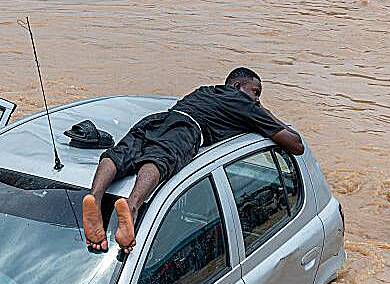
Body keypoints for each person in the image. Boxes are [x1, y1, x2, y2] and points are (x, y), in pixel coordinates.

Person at [81, 67, 304, 254]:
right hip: (187, 130)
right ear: (237, 86)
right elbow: (296, 145)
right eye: (255, 92)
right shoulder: (243, 103)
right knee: (161, 158)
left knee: (120, 153)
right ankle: (132, 206)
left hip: (159, 119)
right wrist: (262, 111)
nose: (256, 99)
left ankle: (95, 198)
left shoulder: (205, 91)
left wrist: (255, 106)